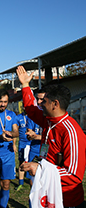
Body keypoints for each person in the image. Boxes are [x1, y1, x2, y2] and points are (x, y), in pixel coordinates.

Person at [17, 65, 86, 208]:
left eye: (44, 101)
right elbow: (31, 109)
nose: (40, 103)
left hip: (66, 200)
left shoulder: (71, 132)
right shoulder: (49, 120)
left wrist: (40, 170)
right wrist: (25, 85)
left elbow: (73, 175)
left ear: (55, 104)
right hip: (48, 193)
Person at [15, 108, 31, 191]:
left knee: (33, 162)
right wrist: (14, 144)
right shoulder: (18, 117)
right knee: (21, 163)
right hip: (22, 143)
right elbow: (15, 131)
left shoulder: (33, 117)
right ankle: (20, 183)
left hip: (32, 143)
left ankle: (32, 181)